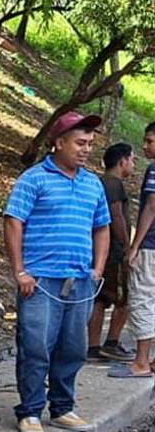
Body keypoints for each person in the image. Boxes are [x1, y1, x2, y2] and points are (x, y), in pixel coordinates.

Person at [4, 111, 111, 432]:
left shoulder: (92, 183)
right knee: (36, 345)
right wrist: (20, 270)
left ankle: (63, 407)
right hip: (40, 281)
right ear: (59, 143)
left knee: (73, 347)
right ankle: (31, 411)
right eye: (80, 142)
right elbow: (13, 222)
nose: (86, 149)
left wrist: (98, 270)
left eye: (90, 144)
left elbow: (102, 227)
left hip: (80, 280)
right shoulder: (34, 179)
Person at [111, 123, 155, 379]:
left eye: (149, 141)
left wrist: (134, 246)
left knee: (143, 300)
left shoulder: (154, 170)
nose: (145, 146)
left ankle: (140, 362)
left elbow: (151, 206)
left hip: (151, 246)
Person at [87, 142, 135, 359]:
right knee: (124, 297)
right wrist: (127, 246)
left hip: (101, 249)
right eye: (132, 159)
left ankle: (93, 346)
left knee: (100, 298)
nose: (133, 165)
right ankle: (111, 342)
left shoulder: (100, 182)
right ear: (122, 161)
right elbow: (116, 215)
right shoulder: (113, 184)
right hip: (114, 251)